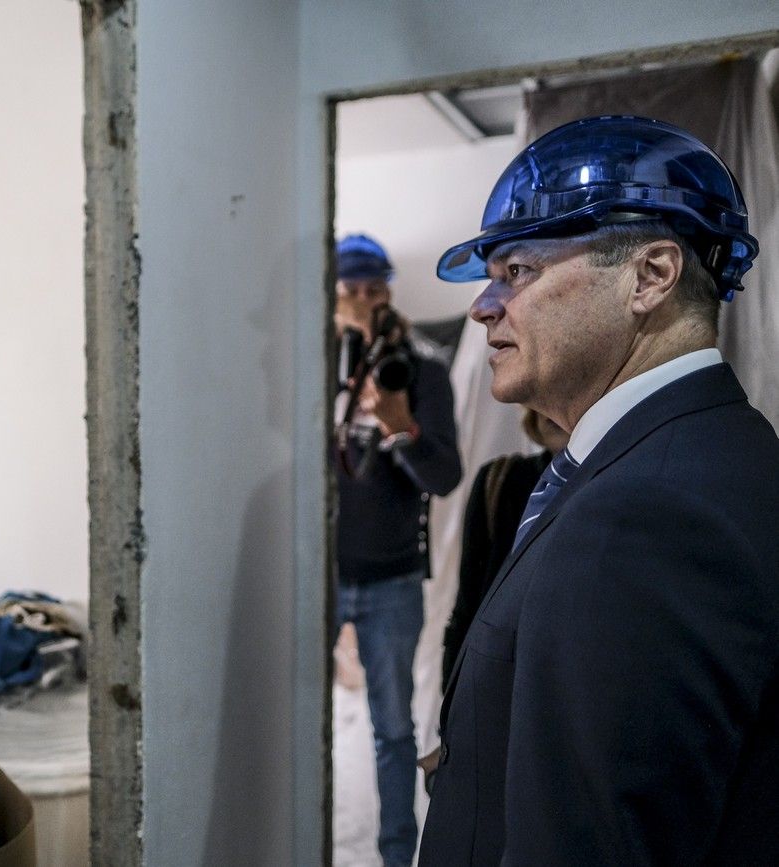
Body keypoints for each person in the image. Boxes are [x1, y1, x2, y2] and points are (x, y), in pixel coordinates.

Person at [419, 115, 779, 866]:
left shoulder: (646, 513)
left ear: (650, 276)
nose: (484, 305)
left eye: (518, 271)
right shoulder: (687, 457)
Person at [332, 233, 462, 867]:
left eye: (374, 290)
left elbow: (445, 476)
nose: (363, 302)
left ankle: (395, 858)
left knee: (392, 730)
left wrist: (400, 425)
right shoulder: (312, 370)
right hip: (319, 575)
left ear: (389, 294)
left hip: (392, 577)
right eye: (350, 291)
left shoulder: (419, 371)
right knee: (292, 719)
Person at [440, 408, 568, 690]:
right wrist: (451, 691)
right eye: (542, 405)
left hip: (561, 670)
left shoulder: (606, 485)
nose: (551, 412)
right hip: (495, 668)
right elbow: (468, 597)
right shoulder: (500, 478)